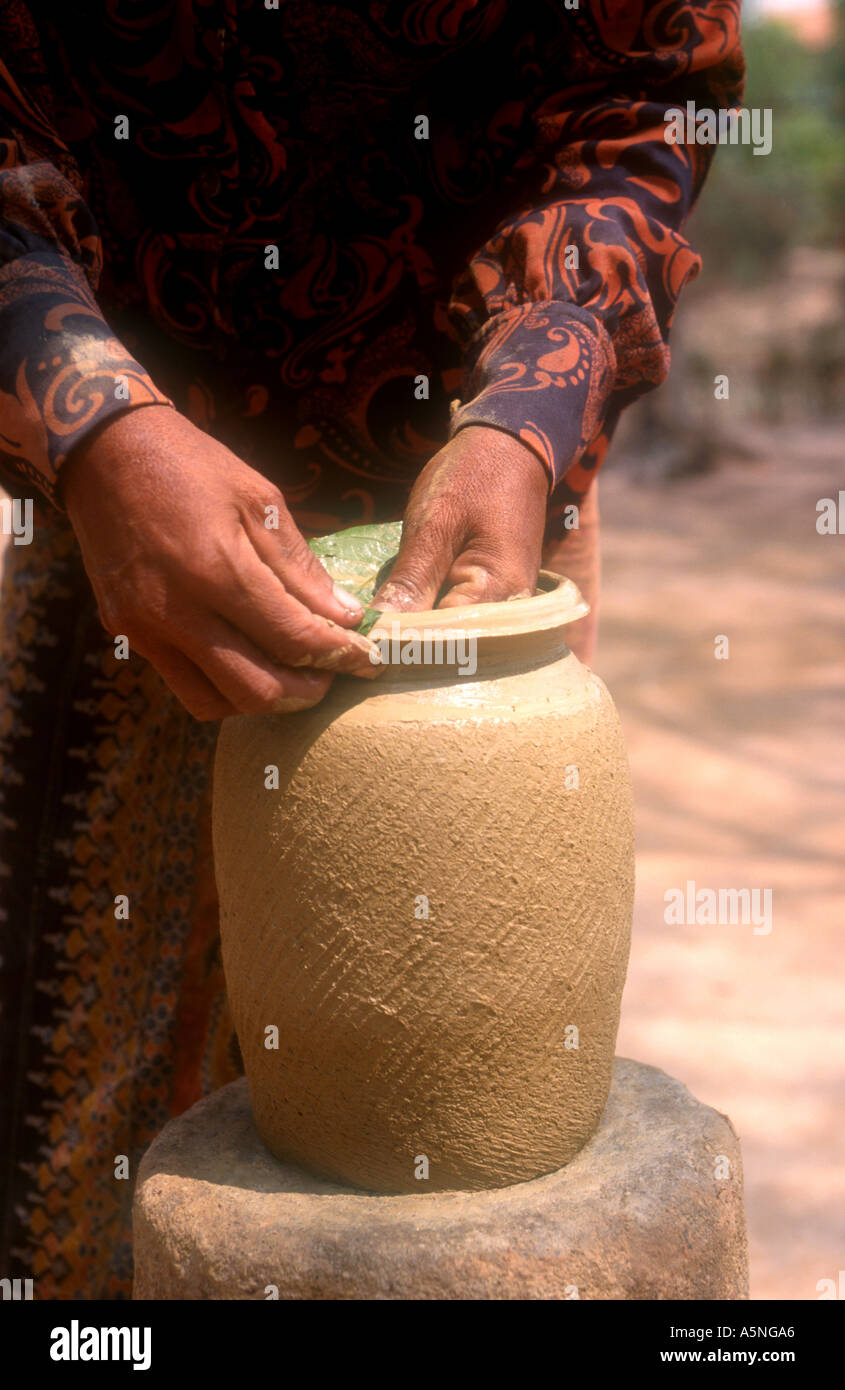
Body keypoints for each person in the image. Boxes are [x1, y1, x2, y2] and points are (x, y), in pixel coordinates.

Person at [0, 0, 744, 1297]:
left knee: (442, 1194)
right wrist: (80, 410)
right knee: (64, 1172)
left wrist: (538, 400)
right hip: (116, 509)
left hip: (474, 501)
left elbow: (644, 100)